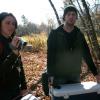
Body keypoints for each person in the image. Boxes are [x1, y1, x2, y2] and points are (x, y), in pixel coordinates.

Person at [47, 5, 100, 89]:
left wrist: (96, 74)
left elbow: (87, 55)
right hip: (59, 76)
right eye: (68, 14)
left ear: (76, 17)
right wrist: (51, 75)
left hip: (75, 75)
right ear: (64, 17)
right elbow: (50, 56)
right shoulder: (54, 34)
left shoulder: (80, 35)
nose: (71, 16)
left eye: (73, 14)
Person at [0, 12, 27, 100]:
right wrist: (14, 53)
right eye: (7, 23)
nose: (11, 26)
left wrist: (23, 87)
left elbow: (20, 66)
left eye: (13, 24)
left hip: (16, 91)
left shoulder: (12, 42)